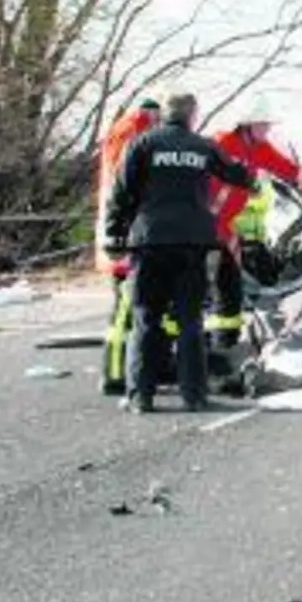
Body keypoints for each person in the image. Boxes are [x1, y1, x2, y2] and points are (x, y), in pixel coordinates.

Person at [104, 93, 255, 413]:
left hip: (151, 240)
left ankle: (140, 397)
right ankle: (194, 396)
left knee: (146, 318)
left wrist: (114, 233)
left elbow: (122, 190)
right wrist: (248, 170)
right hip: (192, 243)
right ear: (192, 116)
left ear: (164, 115)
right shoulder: (203, 146)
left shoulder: (143, 143)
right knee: (190, 319)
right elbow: (237, 175)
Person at [206, 100, 302, 348]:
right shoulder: (221, 143)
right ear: (247, 124)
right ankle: (214, 344)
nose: (268, 128)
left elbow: (292, 170)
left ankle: (222, 344)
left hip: (223, 229)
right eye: (263, 124)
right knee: (218, 287)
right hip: (202, 224)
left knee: (227, 288)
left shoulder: (259, 148)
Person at [95, 97, 162, 396]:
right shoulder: (131, 134)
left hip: (125, 235)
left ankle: (135, 369)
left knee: (132, 308)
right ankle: (114, 374)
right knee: (124, 311)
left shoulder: (129, 131)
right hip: (125, 239)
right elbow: (125, 187)